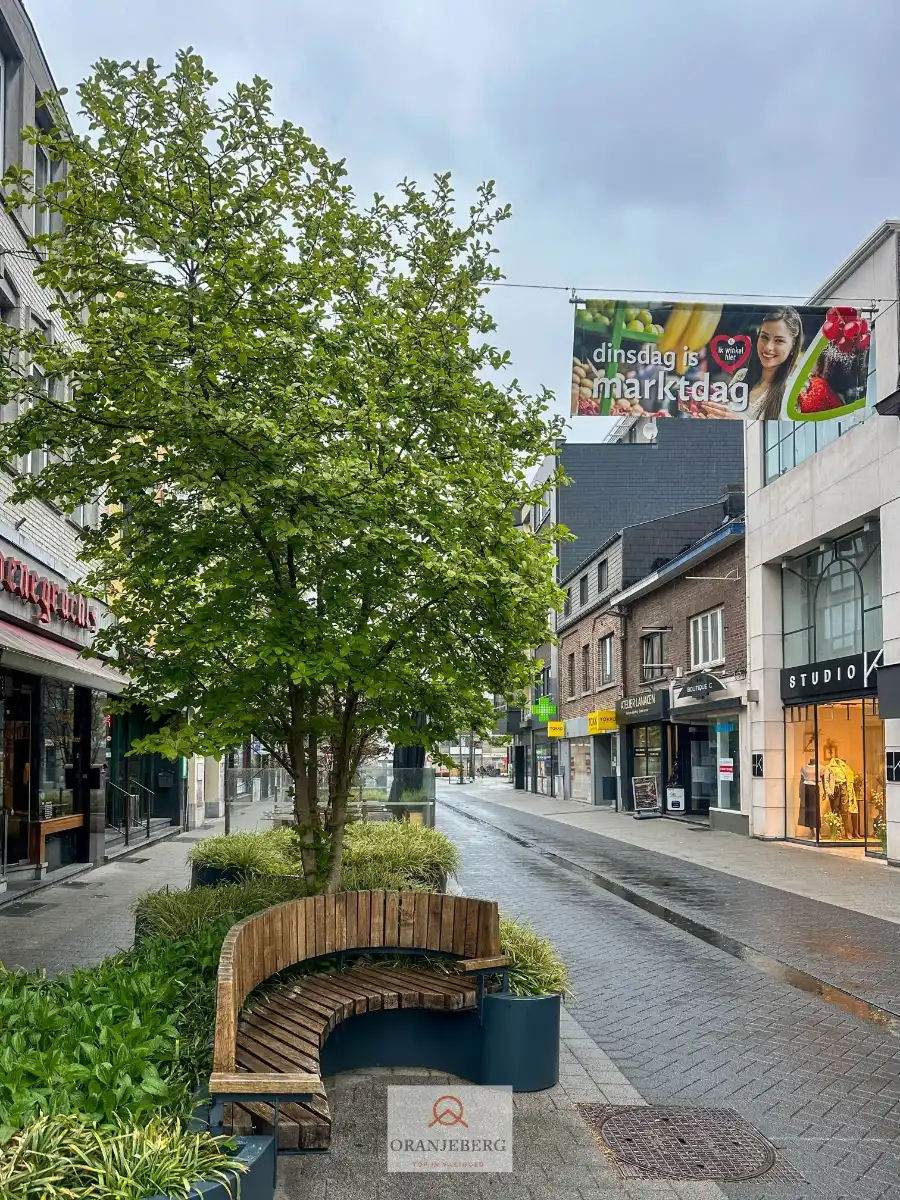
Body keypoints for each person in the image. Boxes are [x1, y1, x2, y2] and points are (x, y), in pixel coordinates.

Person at [733, 306, 803, 421]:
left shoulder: (791, 395)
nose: (768, 347)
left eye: (779, 340)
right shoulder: (741, 376)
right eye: (764, 337)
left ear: (793, 345)